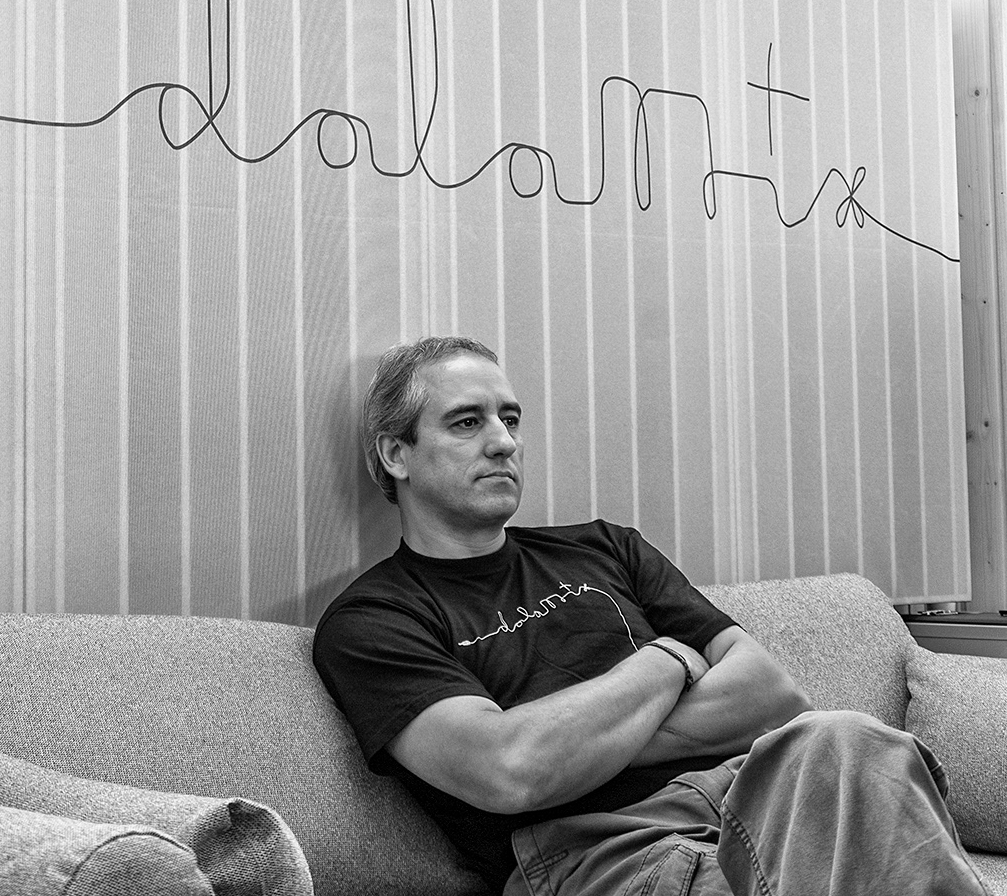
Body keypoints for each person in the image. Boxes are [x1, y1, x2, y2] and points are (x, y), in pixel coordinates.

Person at [312, 335, 987, 895]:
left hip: (752, 792)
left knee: (848, 738)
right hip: (604, 851)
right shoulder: (373, 620)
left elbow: (774, 695)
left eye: (510, 419)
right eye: (467, 422)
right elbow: (511, 769)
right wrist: (667, 660)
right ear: (396, 454)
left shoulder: (605, 546)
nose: (504, 443)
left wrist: (582, 745)